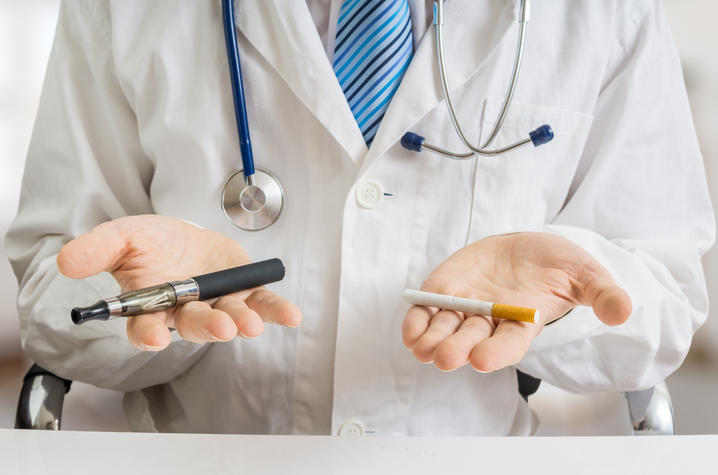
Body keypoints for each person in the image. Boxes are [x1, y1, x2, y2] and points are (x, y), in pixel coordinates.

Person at [5, 0, 714, 435]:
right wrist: (143, 305)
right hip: (202, 457)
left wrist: (560, 306)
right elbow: (53, 296)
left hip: (470, 459)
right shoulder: (120, 8)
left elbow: (664, 293)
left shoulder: (604, 13)